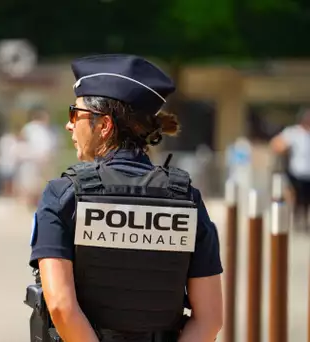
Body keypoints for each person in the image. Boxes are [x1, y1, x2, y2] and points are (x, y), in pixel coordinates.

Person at [25, 55, 223, 342]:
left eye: (74, 114)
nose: (70, 126)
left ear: (104, 125)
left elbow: (62, 307)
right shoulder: (187, 199)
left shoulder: (63, 194)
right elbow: (210, 319)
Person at [270, 108, 310, 232]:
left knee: (307, 200)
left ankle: (305, 221)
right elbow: (276, 144)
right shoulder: (293, 132)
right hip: (296, 172)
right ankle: (298, 221)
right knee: (297, 198)